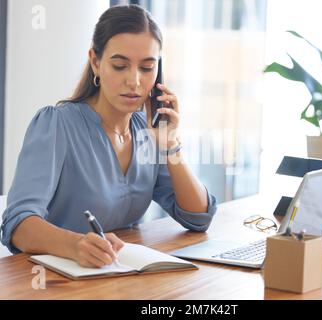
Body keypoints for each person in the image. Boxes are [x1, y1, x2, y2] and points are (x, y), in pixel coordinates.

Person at [0, 4, 217, 268]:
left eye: (147, 68)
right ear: (96, 62)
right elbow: (18, 224)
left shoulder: (146, 131)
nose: (134, 81)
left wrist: (171, 145)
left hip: (116, 277)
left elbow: (198, 218)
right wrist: (75, 245)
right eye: (120, 66)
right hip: (57, 280)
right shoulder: (56, 124)